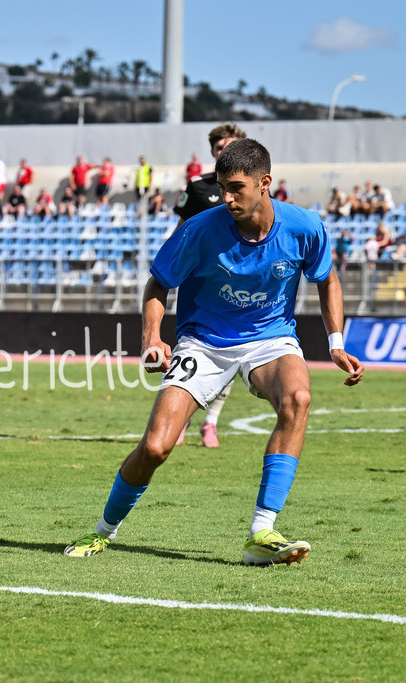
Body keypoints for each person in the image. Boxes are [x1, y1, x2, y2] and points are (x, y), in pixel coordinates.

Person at [64, 138, 364, 566]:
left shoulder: (304, 226)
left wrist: (336, 343)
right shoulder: (200, 229)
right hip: (203, 342)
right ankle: (102, 531)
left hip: (270, 339)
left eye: (235, 187)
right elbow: (158, 284)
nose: (226, 197)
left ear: (265, 183)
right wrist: (152, 338)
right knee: (155, 448)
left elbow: (327, 279)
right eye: (222, 187)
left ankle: (262, 532)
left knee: (298, 398)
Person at [173, 122, 247, 448]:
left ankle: (211, 422)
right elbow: (180, 229)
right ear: (213, 152)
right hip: (197, 280)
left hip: (236, 280)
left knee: (231, 349)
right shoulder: (198, 187)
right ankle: (180, 417)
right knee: (190, 344)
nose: (222, 152)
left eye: (228, 147)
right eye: (218, 148)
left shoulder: (252, 188)